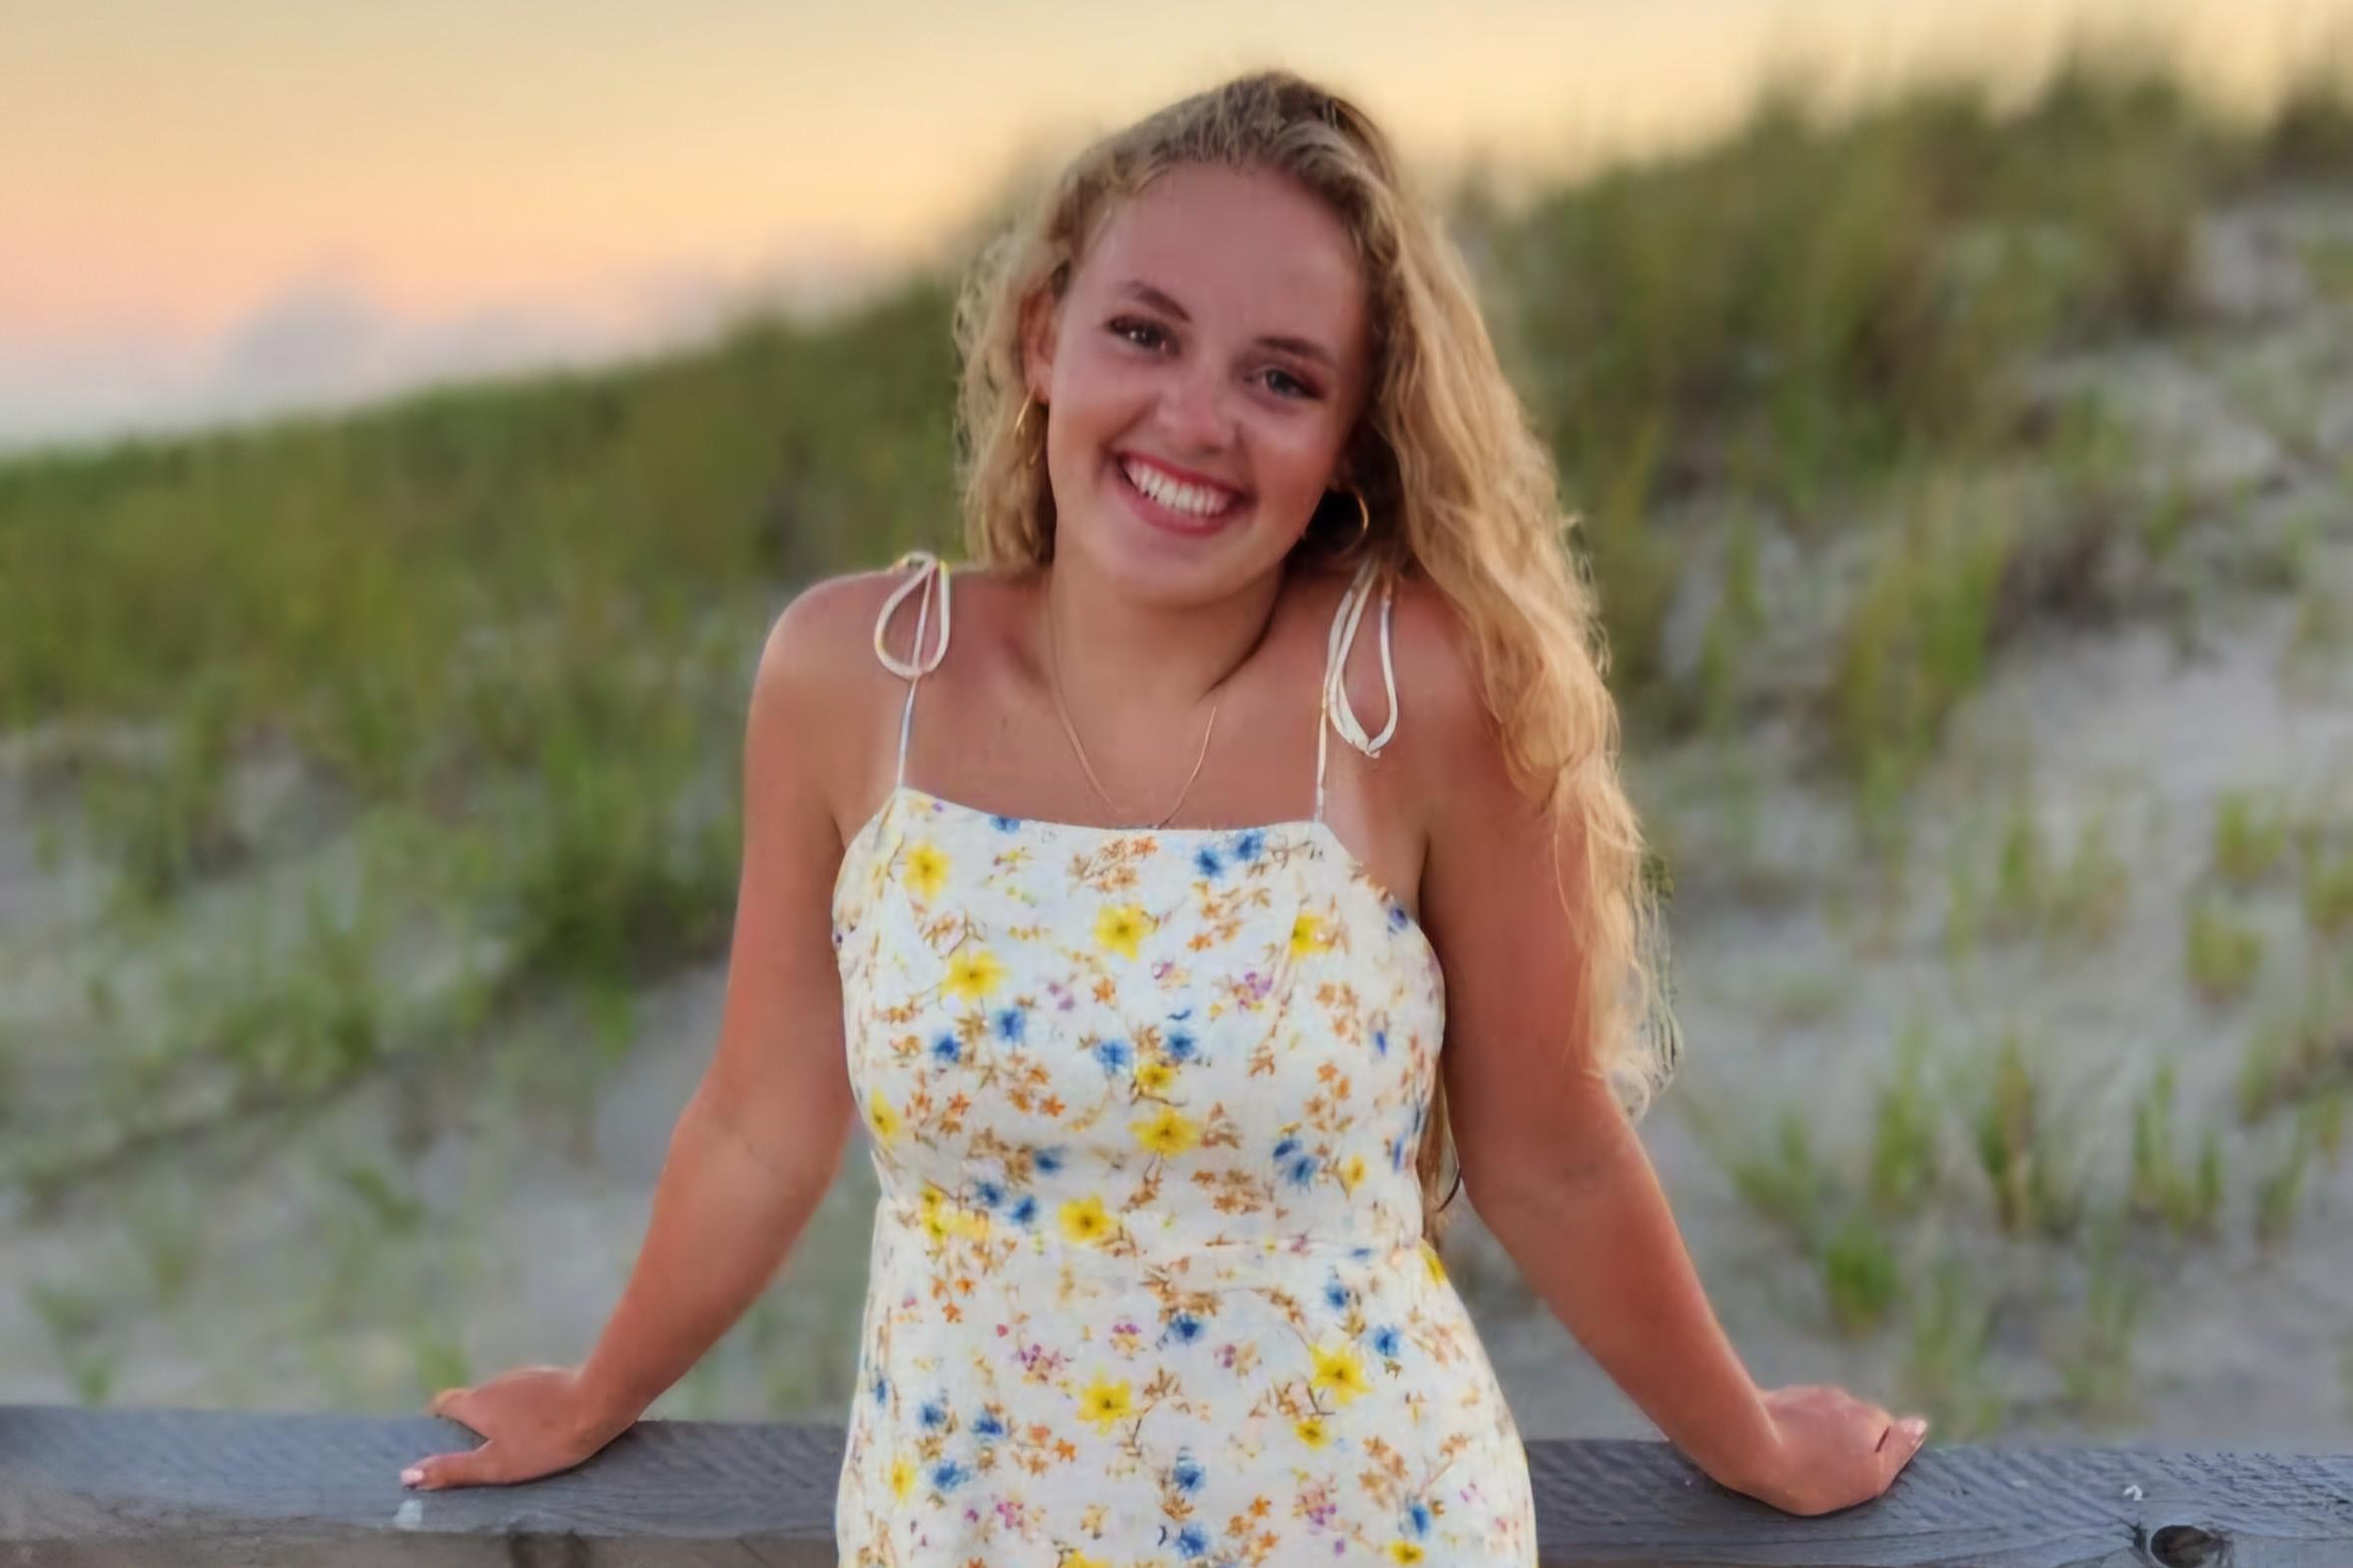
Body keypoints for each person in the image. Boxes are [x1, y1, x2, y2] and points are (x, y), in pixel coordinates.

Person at [398, 68, 1929, 1559]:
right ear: (1043, 335)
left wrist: (1750, 1439)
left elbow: (1550, 1152)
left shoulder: (1408, 692)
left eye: (1283, 378)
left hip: (1371, 1528)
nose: (1196, 419)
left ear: (1350, 438)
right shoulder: (856, 674)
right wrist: (597, 1392)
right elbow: (756, 1126)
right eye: (1145, 333)